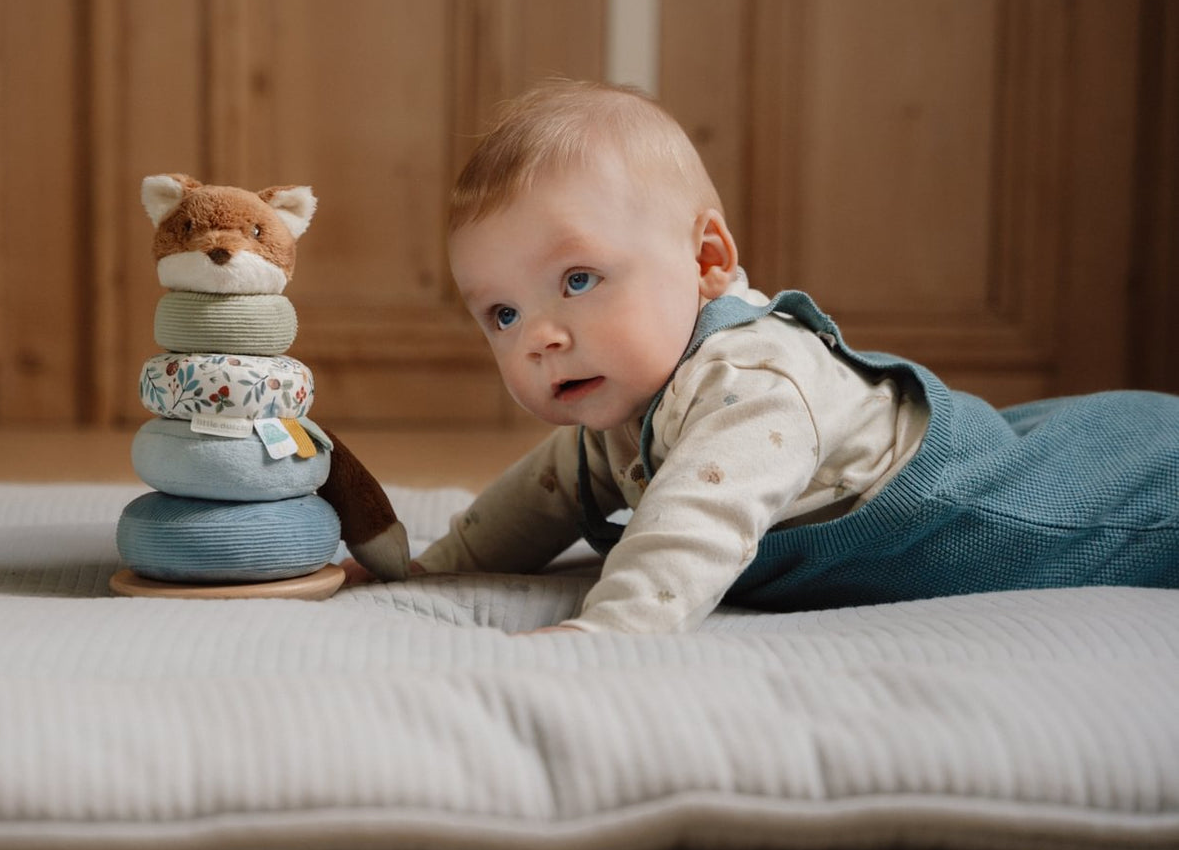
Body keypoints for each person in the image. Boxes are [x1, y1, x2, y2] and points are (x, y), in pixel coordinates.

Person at [342, 78, 1179, 634]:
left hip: (1001, 504)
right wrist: (430, 570)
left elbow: (691, 527)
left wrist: (607, 631)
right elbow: (544, 493)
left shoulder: (751, 383)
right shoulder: (624, 404)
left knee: (1129, 492)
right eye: (502, 312)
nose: (539, 336)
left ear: (707, 262)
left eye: (580, 278)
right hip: (936, 441)